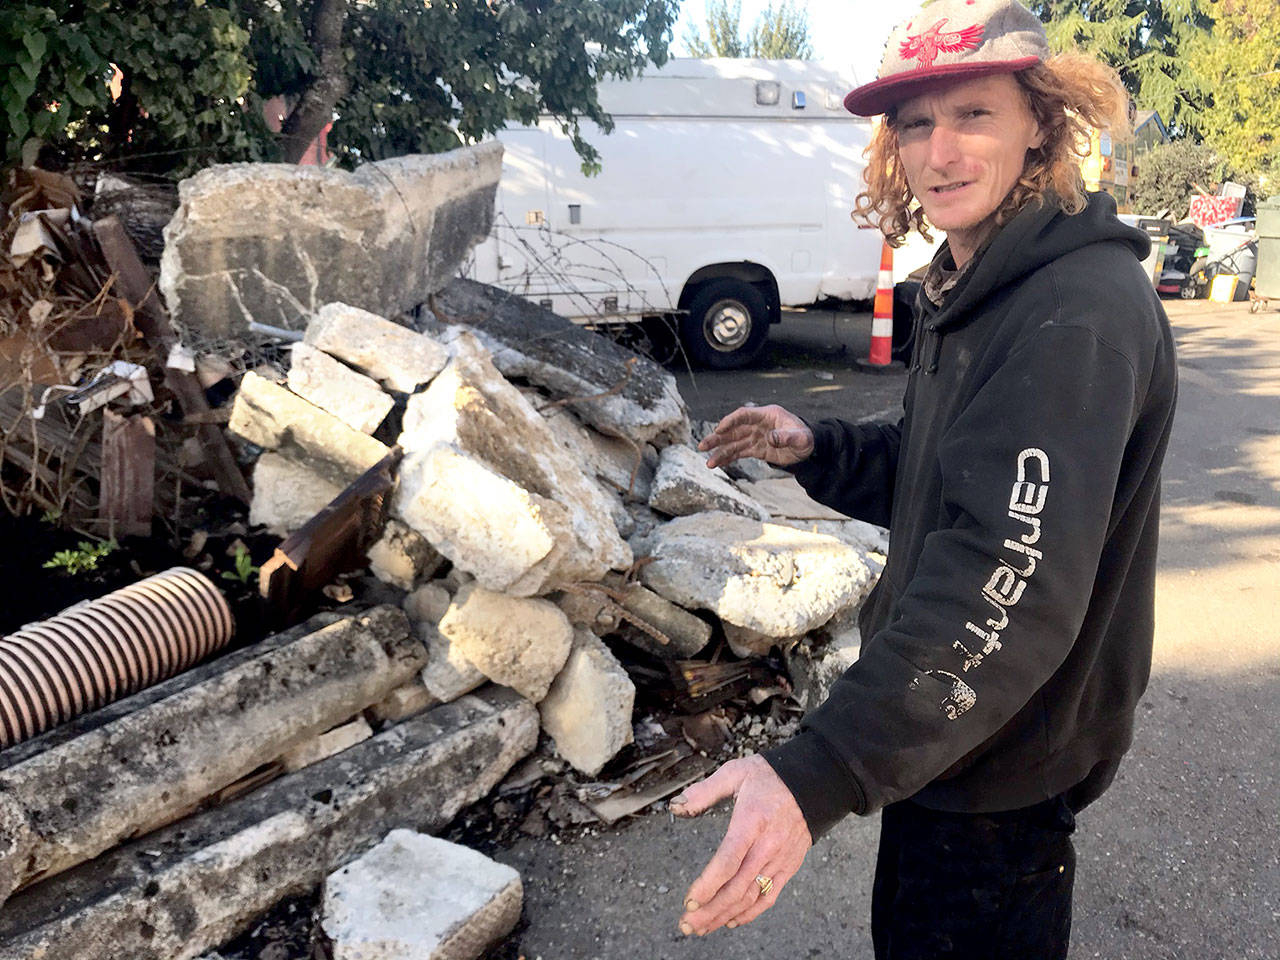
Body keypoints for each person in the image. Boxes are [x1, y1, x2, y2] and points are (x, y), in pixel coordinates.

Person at [669, 1, 1179, 957]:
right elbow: (944, 469)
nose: (939, 150)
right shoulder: (982, 280)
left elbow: (1007, 575)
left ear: (1041, 124)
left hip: (1002, 766)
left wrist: (817, 772)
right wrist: (815, 444)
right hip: (952, 746)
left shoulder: (1071, 312)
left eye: (973, 114)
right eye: (914, 122)